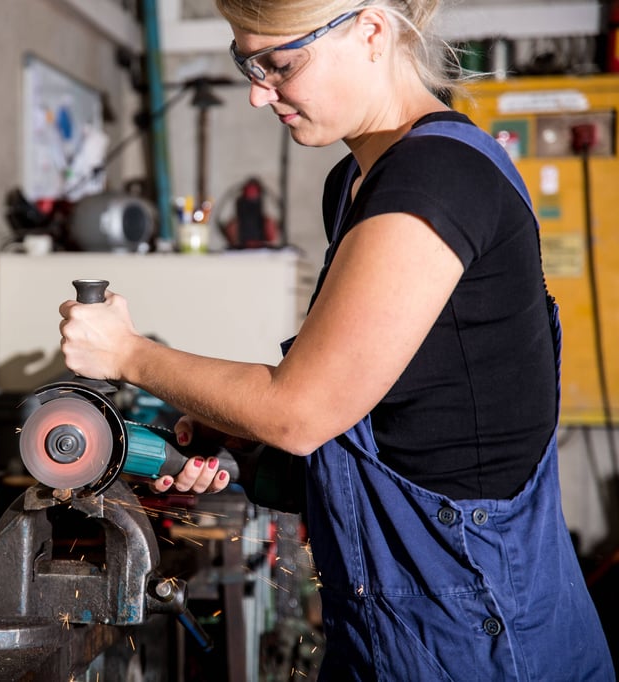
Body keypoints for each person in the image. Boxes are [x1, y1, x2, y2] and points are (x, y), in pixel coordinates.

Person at [57, 0, 615, 679]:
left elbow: (300, 411)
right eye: (247, 63)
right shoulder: (355, 184)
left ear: (372, 30)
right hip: (390, 623)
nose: (260, 94)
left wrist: (127, 354)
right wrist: (243, 437)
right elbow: (390, 414)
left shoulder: (436, 179)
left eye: (279, 64)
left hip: (477, 633)